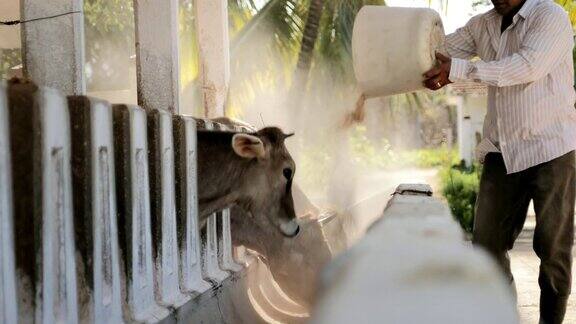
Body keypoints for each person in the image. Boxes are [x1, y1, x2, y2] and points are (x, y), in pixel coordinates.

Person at [424, 0, 576, 323]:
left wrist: (459, 70)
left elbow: (527, 66)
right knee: (485, 250)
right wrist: (415, 52)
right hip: (501, 151)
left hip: (551, 150)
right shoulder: (482, 25)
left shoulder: (550, 16)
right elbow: (437, 49)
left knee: (553, 255)